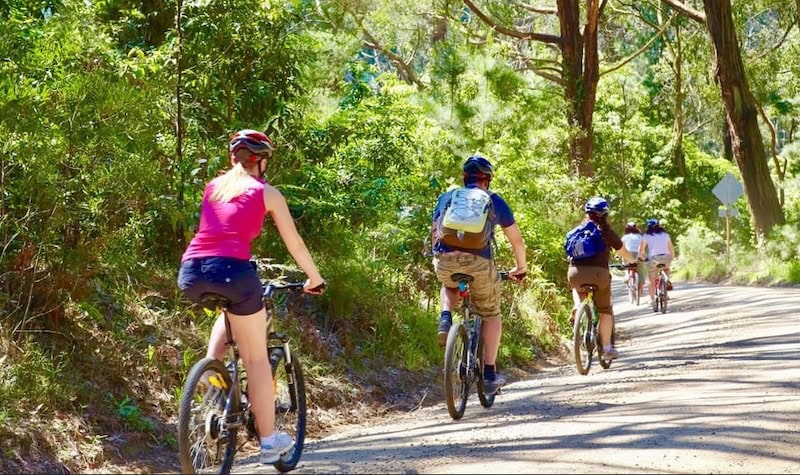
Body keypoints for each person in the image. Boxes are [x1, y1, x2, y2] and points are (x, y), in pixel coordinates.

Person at [177, 129, 325, 464]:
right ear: (262, 162)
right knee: (257, 358)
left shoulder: (213, 188)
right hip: (234, 272)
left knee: (225, 319)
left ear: (233, 159)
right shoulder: (267, 193)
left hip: (191, 271)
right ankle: (270, 443)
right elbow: (295, 244)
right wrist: (314, 278)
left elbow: (215, 234)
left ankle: (214, 395)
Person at [430, 155, 527, 395]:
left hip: (445, 259)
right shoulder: (493, 200)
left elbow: (435, 232)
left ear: (465, 178)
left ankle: (445, 317)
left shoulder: (447, 197)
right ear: (488, 180)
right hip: (479, 264)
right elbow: (516, 240)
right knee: (491, 313)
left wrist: (442, 257)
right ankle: (490, 373)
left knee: (449, 284)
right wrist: (520, 268)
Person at [566, 197, 634, 360]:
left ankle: (578, 306)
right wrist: (633, 262)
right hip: (599, 275)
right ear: (605, 214)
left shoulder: (578, 231)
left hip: (575, 273)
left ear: (587, 213)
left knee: (577, 287)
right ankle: (606, 349)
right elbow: (623, 252)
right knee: (605, 311)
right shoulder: (606, 233)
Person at [638, 218, 675, 306]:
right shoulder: (665, 235)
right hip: (666, 257)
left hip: (654, 259)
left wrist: (640, 257)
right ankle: (667, 280)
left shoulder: (647, 235)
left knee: (651, 279)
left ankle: (651, 299)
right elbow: (671, 249)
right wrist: (672, 257)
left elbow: (641, 249)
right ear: (659, 225)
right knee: (666, 268)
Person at [621, 222, 647, 297]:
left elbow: (621, 248)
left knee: (625, 262)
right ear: (636, 228)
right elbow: (643, 248)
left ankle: (626, 274)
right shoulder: (640, 236)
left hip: (628, 253)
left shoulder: (625, 237)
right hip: (638, 254)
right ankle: (641, 290)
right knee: (641, 271)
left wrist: (618, 255)